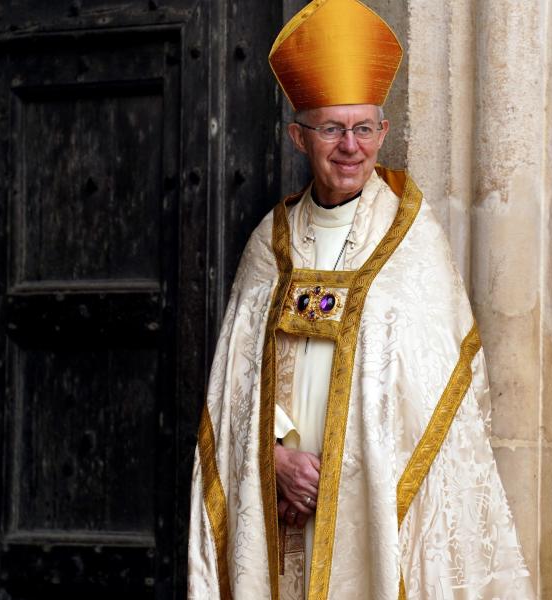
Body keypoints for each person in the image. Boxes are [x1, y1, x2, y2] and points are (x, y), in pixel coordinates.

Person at [187, 0, 533, 598]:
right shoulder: (269, 245)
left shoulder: (411, 239)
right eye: (332, 128)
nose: (351, 146)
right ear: (299, 136)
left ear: (383, 133)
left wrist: (352, 468)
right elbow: (241, 380)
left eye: (364, 128)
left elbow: (443, 392)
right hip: (283, 503)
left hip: (374, 500)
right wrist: (274, 457)